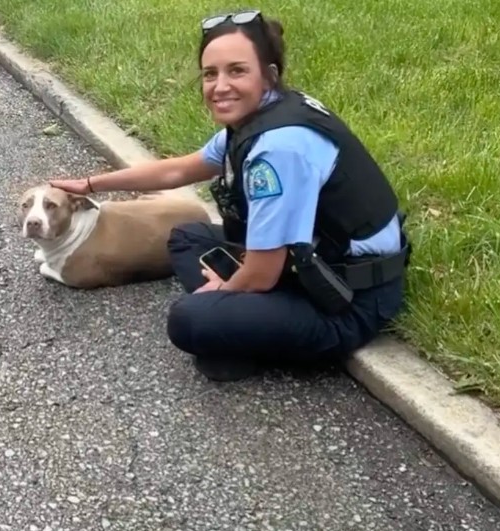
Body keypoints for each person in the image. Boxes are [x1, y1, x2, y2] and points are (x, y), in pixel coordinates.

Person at [49, 9, 411, 382]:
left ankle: (236, 337)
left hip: (347, 301)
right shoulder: (262, 115)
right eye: (210, 74)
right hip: (310, 262)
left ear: (268, 75)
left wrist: (223, 290)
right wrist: (91, 184)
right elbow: (179, 169)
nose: (220, 86)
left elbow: (261, 274)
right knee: (187, 235)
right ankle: (238, 328)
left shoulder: (278, 149)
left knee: (188, 318)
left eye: (236, 71)